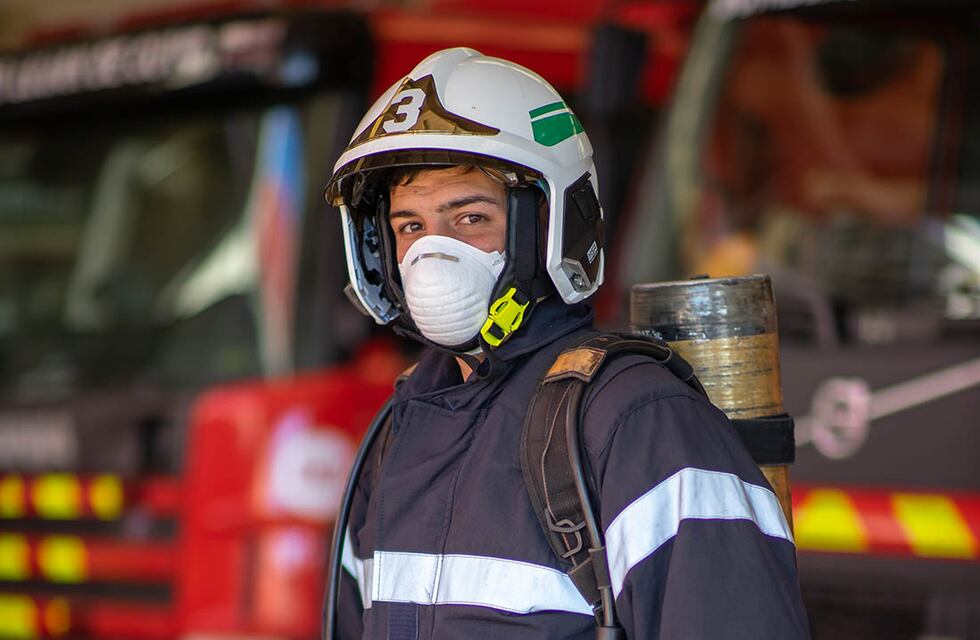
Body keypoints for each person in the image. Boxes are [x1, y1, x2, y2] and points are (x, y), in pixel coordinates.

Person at [323, 47, 810, 639]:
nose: (431, 252)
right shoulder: (399, 434)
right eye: (410, 226)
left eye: (470, 217)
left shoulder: (637, 421)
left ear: (548, 227)